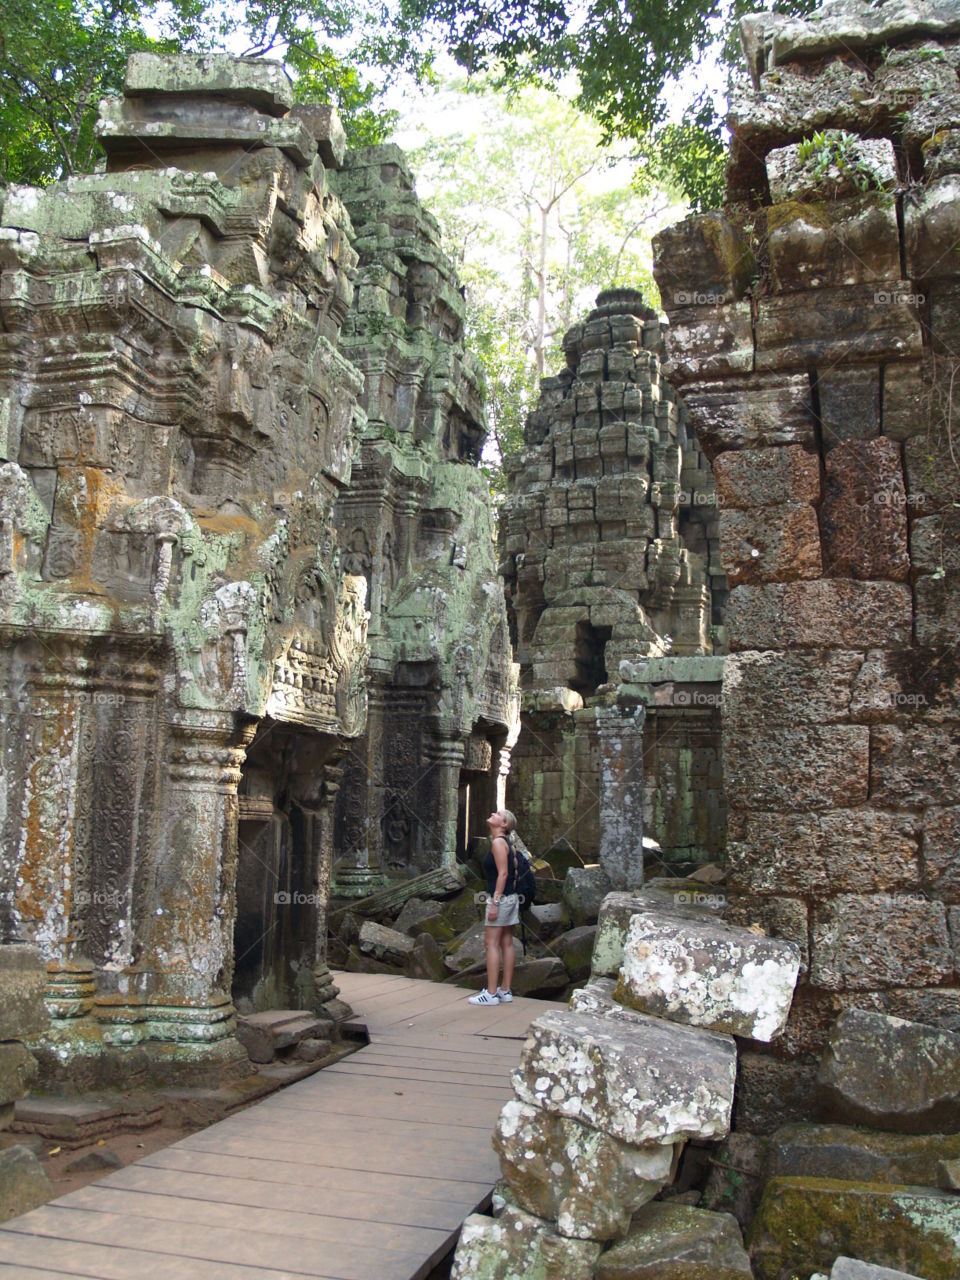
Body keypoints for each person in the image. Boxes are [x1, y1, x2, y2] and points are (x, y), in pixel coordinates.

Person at [468, 808, 520, 1005]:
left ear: (504, 824)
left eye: (498, 814)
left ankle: (490, 994)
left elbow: (503, 874)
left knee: (491, 943)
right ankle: (505, 991)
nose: (493, 814)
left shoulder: (498, 843)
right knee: (506, 942)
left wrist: (495, 903)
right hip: (511, 897)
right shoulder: (506, 843)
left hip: (501, 898)